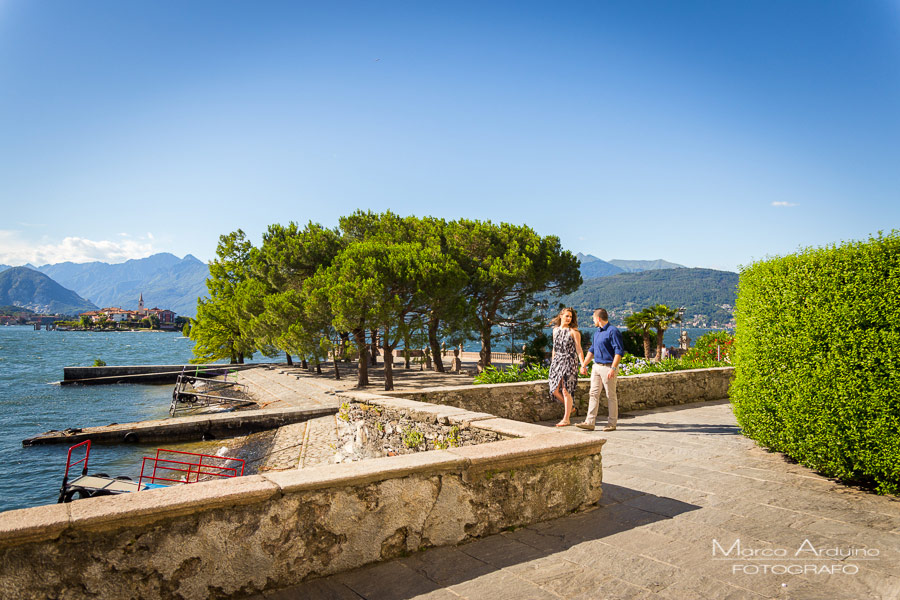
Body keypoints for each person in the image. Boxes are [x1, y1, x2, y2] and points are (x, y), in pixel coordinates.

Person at [578, 308, 624, 431]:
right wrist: (584, 365)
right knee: (593, 394)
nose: (593, 321)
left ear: (598, 319)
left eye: (593, 318)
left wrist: (613, 368)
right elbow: (591, 350)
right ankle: (590, 422)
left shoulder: (613, 331)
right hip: (596, 367)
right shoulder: (597, 332)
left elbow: (618, 351)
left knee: (610, 396)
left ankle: (612, 423)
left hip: (608, 367)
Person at [548, 307, 584, 427]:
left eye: (571, 317)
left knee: (566, 389)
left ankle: (566, 418)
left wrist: (582, 365)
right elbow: (554, 348)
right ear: (561, 316)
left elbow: (579, 349)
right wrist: (553, 363)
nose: (569, 318)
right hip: (557, 361)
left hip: (569, 361)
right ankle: (571, 407)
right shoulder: (555, 330)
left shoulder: (574, 332)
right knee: (553, 389)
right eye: (567, 316)